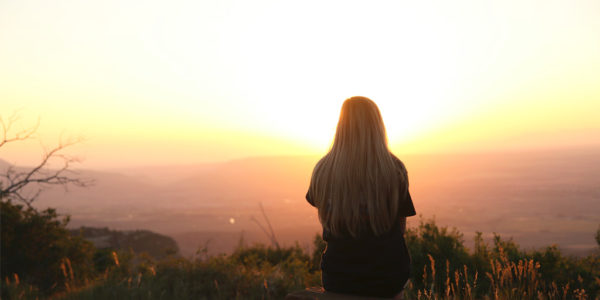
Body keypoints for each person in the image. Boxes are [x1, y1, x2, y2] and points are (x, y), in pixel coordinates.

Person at [306, 96, 416, 299]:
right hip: (387, 276)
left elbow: (326, 217)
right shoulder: (395, 170)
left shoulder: (322, 170)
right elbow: (400, 230)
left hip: (338, 277)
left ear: (341, 126)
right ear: (377, 127)